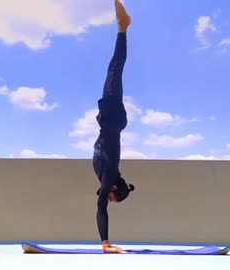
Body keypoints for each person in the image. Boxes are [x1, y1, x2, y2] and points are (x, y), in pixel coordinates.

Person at [92, 0, 135, 254]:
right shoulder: (109, 176)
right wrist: (105, 243)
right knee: (115, 68)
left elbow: (102, 202)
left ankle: (123, 28)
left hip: (113, 121)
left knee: (114, 70)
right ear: (114, 189)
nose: (106, 196)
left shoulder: (109, 174)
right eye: (111, 195)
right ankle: (123, 27)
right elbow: (100, 207)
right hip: (111, 116)